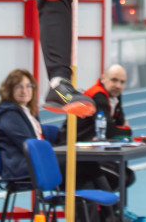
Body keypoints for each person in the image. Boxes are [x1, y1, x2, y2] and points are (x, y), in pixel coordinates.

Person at [57, 65, 135, 211]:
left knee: (127, 175)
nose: (118, 85)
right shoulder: (98, 95)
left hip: (90, 154)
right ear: (103, 78)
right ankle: (114, 214)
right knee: (121, 176)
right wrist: (127, 130)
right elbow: (112, 131)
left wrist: (120, 130)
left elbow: (116, 126)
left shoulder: (114, 95)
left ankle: (111, 214)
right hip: (74, 156)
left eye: (122, 82)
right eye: (114, 80)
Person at [0, 69, 47, 182]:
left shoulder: (27, 111)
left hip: (32, 162)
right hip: (22, 167)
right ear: (10, 90)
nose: (25, 91)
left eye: (28, 86)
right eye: (19, 87)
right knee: (76, 167)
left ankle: (73, 198)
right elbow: (28, 144)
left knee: (77, 164)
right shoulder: (9, 115)